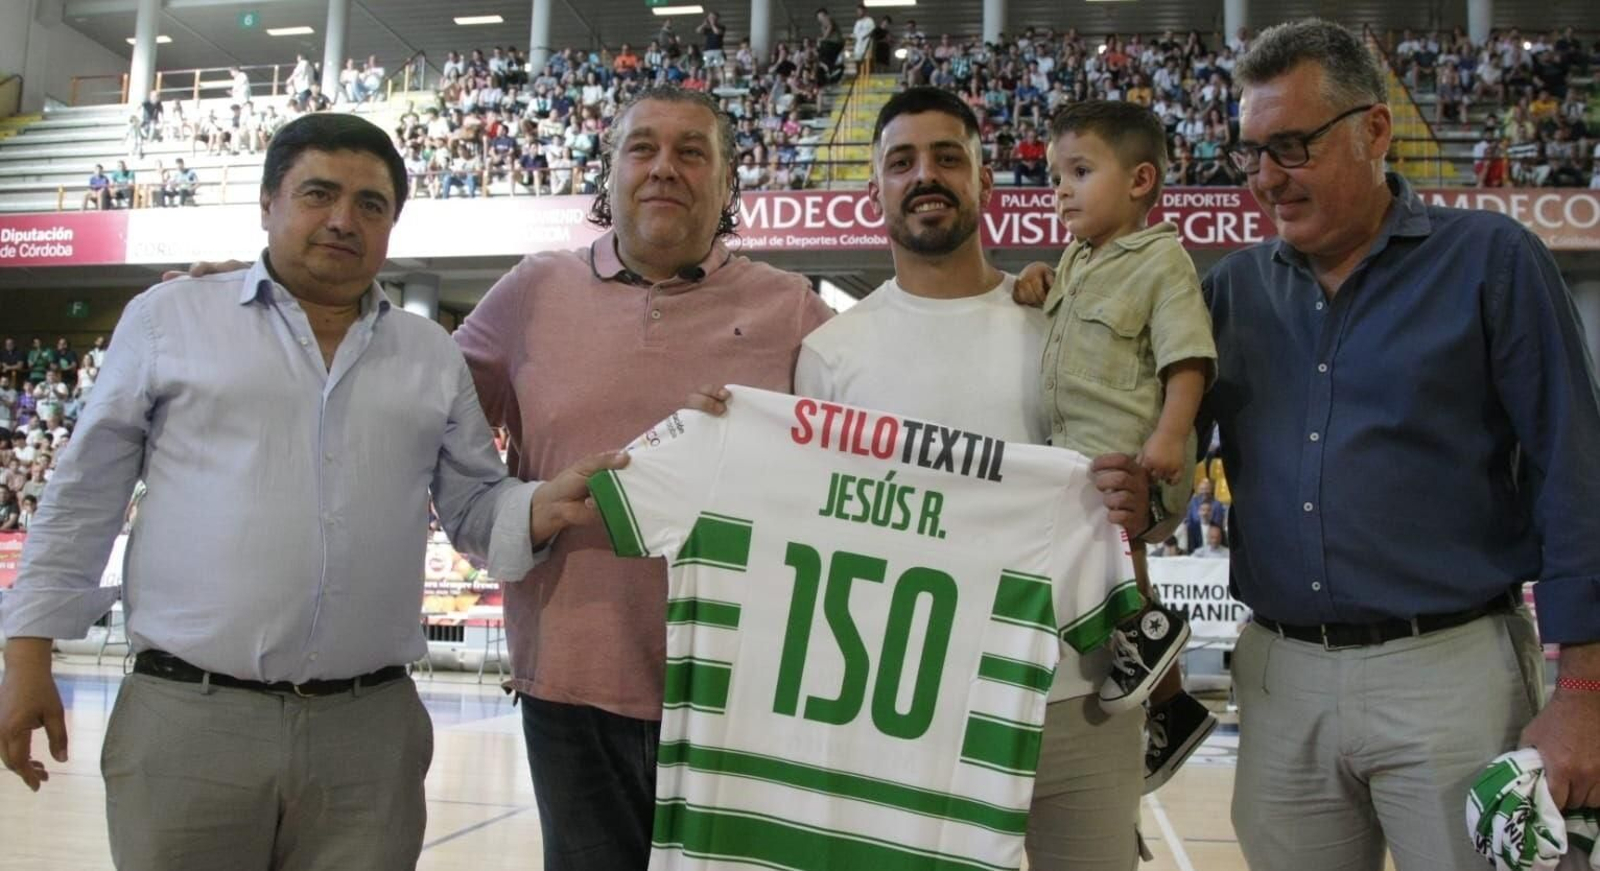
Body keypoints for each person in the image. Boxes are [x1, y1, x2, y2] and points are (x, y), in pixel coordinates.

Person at [0, 112, 620, 871]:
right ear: (268, 203)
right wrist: (27, 655)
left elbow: (471, 504)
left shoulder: (429, 353)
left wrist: (537, 505)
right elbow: (83, 494)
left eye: (370, 204)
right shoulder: (169, 319)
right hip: (188, 721)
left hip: (369, 734)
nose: (342, 220)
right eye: (318, 194)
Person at [693, 86, 1166, 871]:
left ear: (985, 181)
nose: (926, 176)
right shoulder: (832, 354)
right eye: (902, 162)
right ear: (874, 189)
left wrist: (1144, 502)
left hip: (1074, 699)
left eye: (949, 157)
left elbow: (1144, 479)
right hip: (912, 714)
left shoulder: (1057, 320)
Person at [1200, 20, 1600, 870]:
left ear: (1374, 130)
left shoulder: (1493, 261)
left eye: (1293, 147)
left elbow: (1577, 476)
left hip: (1453, 673)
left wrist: (1584, 694)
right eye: (1253, 152)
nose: (1266, 178)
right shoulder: (1230, 290)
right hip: (1279, 678)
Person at [448, 85, 834, 871]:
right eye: (643, 148)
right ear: (611, 171)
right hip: (570, 688)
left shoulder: (791, 309)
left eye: (692, 152)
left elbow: (880, 451)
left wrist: (1020, 302)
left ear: (728, 182)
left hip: (739, 692)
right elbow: (415, 410)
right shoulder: (531, 292)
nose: (665, 168)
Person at [1013, 99, 1218, 786]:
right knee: (1094, 565)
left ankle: (1150, 630)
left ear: (1139, 181)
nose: (1060, 189)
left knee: (1114, 546)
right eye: (1055, 176)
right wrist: (1038, 279)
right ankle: (1171, 704)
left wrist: (1170, 435)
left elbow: (1188, 359)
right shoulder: (1077, 258)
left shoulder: (1163, 262)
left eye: (1079, 171)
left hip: (1131, 452)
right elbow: (1058, 311)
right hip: (1076, 452)